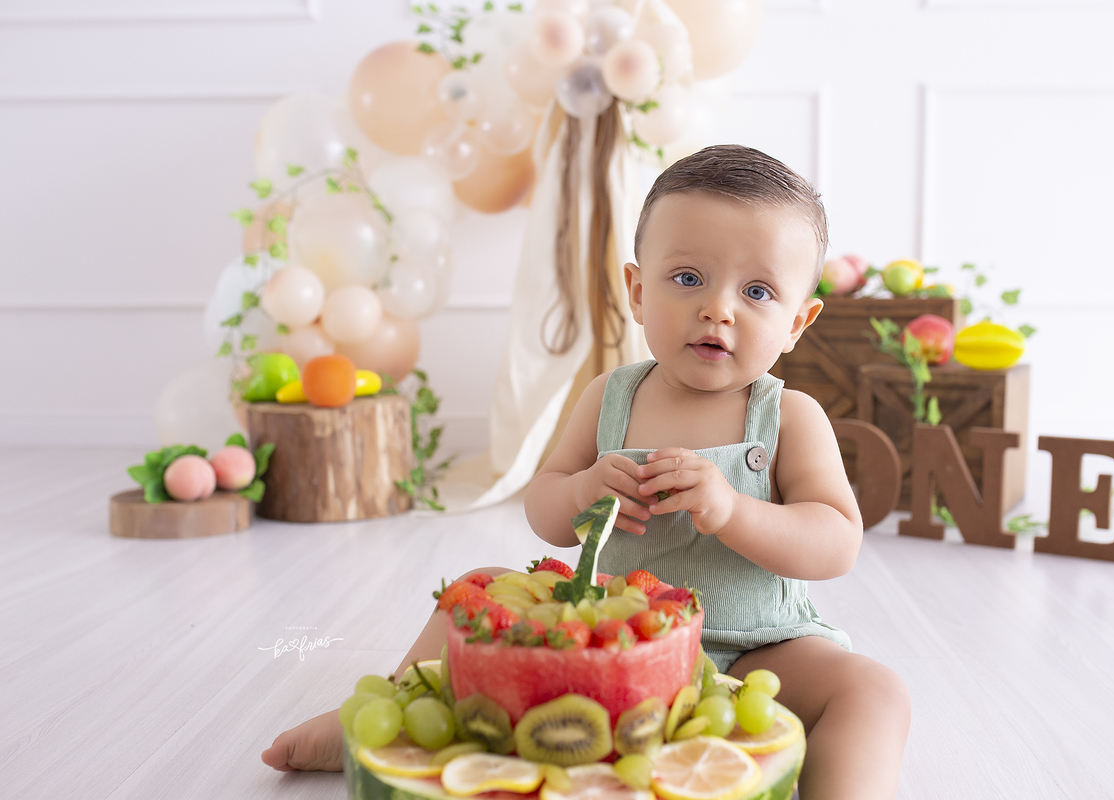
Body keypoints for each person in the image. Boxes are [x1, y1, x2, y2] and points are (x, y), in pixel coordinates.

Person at [263, 145, 910, 800]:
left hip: (758, 650)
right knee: (473, 591)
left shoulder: (790, 417)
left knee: (873, 690)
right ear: (637, 291)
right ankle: (381, 716)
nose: (719, 308)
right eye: (688, 277)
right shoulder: (611, 397)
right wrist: (580, 490)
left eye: (757, 292)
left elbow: (836, 541)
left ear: (797, 322)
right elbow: (544, 509)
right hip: (607, 642)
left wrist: (734, 510)